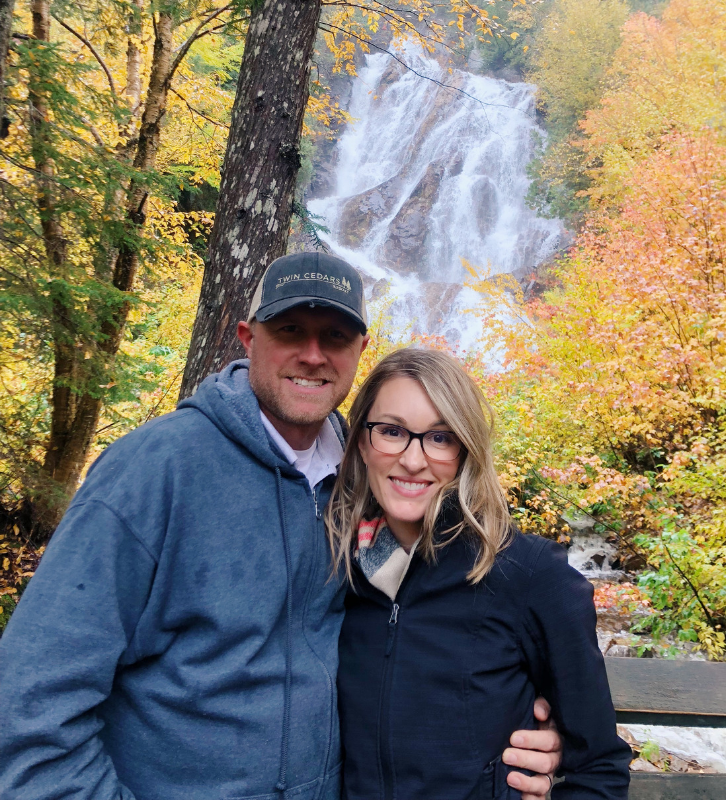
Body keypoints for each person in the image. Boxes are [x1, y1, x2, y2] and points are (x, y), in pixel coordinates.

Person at [0, 253, 561, 800]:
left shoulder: (364, 475)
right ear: (248, 338)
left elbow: (421, 619)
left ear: (360, 351)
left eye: (335, 336)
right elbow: (31, 706)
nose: (313, 355)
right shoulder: (154, 473)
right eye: (291, 329)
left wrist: (532, 722)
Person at [326, 348, 632, 799]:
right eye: (391, 431)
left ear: (466, 449)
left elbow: (600, 769)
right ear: (362, 443)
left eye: (440, 438)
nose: (413, 460)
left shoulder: (529, 574)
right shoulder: (336, 566)